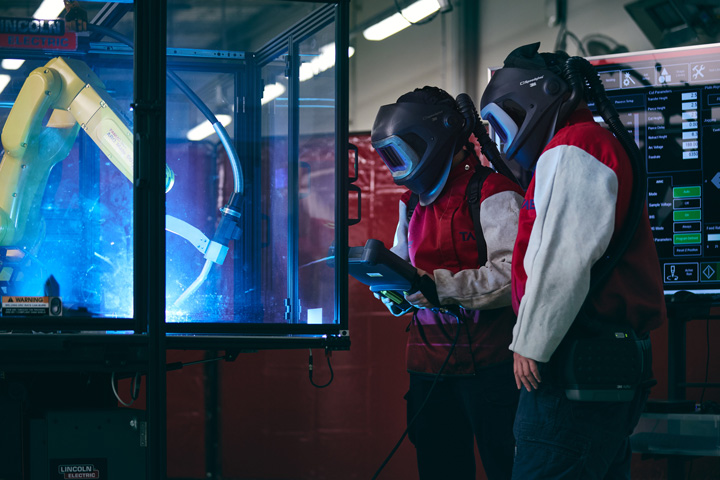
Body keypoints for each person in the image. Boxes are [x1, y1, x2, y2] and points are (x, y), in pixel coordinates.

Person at [480, 43, 667, 479]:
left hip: (571, 372)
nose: (501, 139)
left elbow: (561, 258)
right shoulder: (588, 144)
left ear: (534, 98)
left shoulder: (575, 146)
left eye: (501, 122)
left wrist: (530, 342)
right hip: (601, 367)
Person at [370, 86, 525, 480]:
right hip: (429, 369)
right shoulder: (411, 203)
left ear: (433, 139)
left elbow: (513, 277)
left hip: (493, 370)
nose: (396, 163)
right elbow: (403, 264)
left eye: (400, 150)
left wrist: (441, 287)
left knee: (506, 468)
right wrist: (395, 292)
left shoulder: (494, 192)